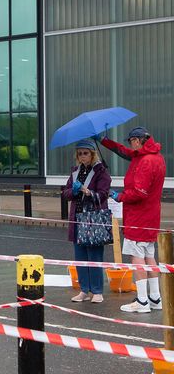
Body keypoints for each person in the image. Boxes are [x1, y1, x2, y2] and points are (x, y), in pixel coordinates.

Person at [95, 127, 166, 313]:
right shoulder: (155, 156)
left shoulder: (145, 162)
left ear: (137, 140)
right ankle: (155, 298)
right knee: (149, 256)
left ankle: (142, 301)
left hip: (138, 217)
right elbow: (124, 152)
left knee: (137, 258)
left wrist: (119, 196)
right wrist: (104, 141)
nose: (129, 145)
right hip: (151, 216)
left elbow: (139, 193)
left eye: (130, 141)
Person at [61, 139, 111, 303]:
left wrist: (87, 192)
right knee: (80, 256)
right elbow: (66, 193)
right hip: (77, 218)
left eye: (86, 153)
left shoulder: (101, 171)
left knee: (94, 256)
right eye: (80, 153)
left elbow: (103, 194)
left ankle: (97, 291)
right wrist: (74, 191)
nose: (83, 156)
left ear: (92, 154)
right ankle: (84, 290)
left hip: (92, 219)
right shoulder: (75, 171)